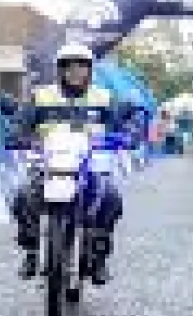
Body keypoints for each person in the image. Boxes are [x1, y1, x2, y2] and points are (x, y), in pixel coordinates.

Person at [12, 43, 123, 285]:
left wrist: (128, 134)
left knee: (111, 199)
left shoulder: (104, 97)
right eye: (69, 67)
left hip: (90, 164)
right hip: (49, 164)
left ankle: (99, 258)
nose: (75, 72)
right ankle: (31, 252)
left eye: (81, 66)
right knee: (22, 196)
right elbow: (21, 125)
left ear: (89, 70)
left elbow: (120, 124)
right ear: (60, 70)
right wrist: (20, 137)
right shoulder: (41, 96)